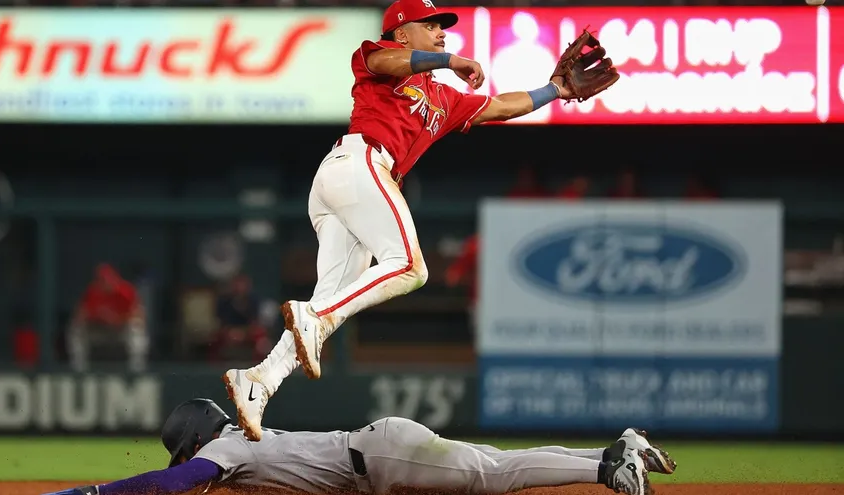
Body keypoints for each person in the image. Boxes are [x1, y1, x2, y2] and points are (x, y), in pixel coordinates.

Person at [223, 0, 619, 442]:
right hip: (360, 163)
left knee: (332, 298)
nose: (441, 31)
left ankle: (258, 382)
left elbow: (500, 106)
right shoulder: (379, 57)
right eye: (430, 25)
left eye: (442, 26)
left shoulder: (442, 97)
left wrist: (555, 92)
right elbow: (389, 59)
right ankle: (313, 317)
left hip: (353, 185)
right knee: (410, 268)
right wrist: (450, 61)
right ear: (402, 32)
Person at [42, 398, 675, 495]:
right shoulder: (240, 442)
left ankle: (605, 466)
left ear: (192, 444)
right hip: (377, 448)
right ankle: (612, 452)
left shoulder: (229, 452)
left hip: (376, 458)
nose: (192, 469)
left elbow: (174, 485)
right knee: (496, 465)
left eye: (188, 455)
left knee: (494, 477)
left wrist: (93, 492)